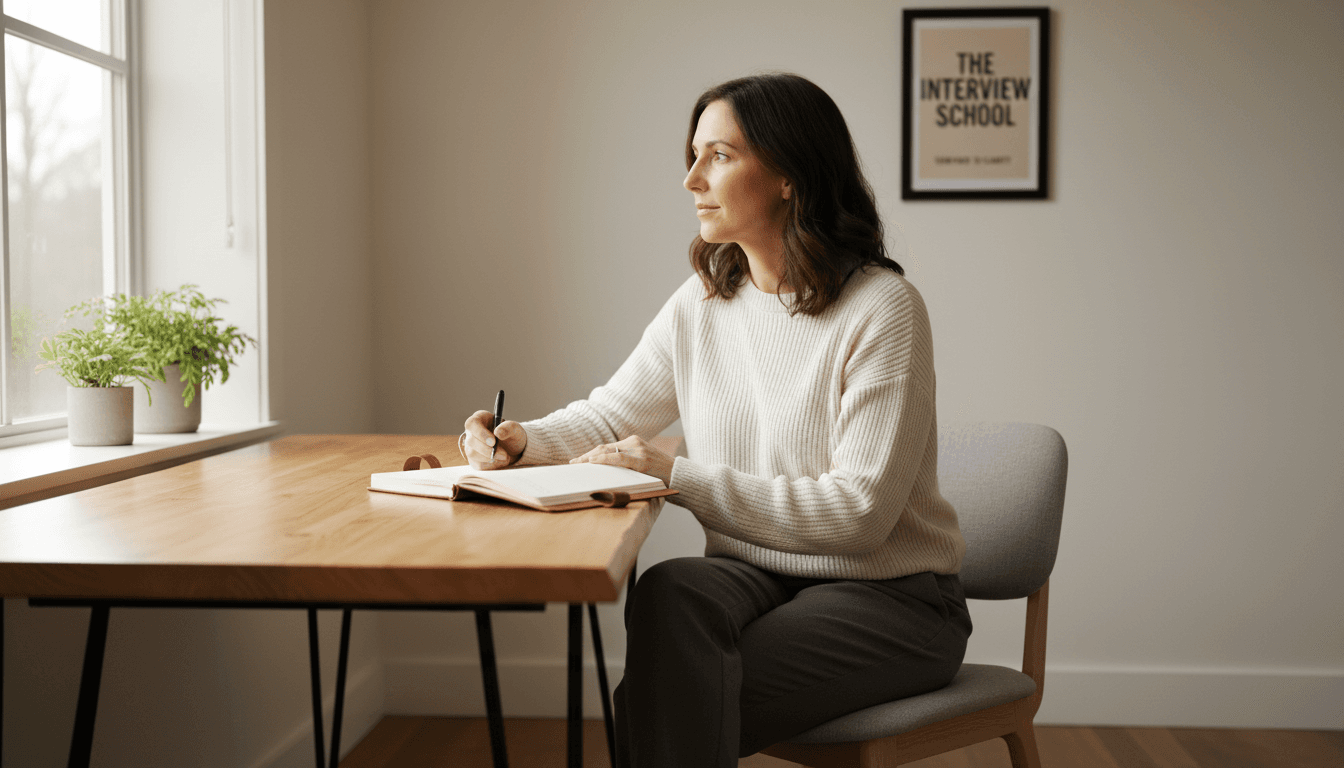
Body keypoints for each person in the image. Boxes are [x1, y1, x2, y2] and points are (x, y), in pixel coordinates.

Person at [461, 72, 971, 768]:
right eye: (693, 155)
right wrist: (522, 443)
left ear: (790, 174)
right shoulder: (705, 301)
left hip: (893, 600)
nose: (692, 178)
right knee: (670, 593)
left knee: (661, 699)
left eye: (720, 156)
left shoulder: (885, 309)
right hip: (755, 578)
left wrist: (676, 475)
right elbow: (613, 412)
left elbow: (860, 517)